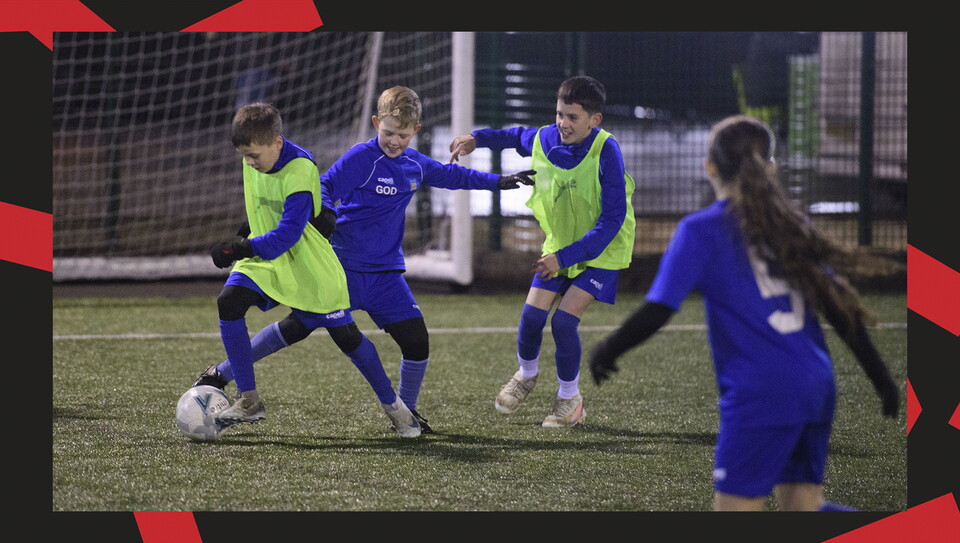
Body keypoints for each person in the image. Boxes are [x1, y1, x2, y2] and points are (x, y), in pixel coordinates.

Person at [588, 114, 900, 511]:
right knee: (803, 508)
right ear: (769, 167)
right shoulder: (789, 224)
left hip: (762, 392)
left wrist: (609, 348)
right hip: (816, 385)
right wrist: (880, 376)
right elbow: (839, 310)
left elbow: (659, 309)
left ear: (710, 168)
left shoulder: (701, 230)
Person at [197, 87, 535, 434]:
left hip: (385, 276)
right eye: (388, 132)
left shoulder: (413, 165)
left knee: (416, 341)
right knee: (296, 328)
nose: (394, 141)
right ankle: (222, 373)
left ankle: (407, 412)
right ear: (376, 123)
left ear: (415, 131)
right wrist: (326, 211)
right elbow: (324, 185)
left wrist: (499, 182)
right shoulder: (362, 158)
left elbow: (454, 176)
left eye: (402, 135)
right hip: (341, 268)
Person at [197, 102, 422, 438]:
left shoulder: (301, 169)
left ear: (276, 143)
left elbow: (287, 236)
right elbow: (267, 202)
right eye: (244, 156)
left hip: (305, 262)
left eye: (254, 156)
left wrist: (241, 247)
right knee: (229, 302)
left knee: (347, 338)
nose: (249, 163)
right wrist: (249, 230)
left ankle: (395, 407)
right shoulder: (256, 157)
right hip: (266, 257)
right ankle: (249, 400)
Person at [449, 75, 636, 428]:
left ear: (595, 120)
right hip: (560, 245)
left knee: (564, 322)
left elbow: (611, 222)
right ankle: (526, 375)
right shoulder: (546, 138)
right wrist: (478, 138)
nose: (563, 123)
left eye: (572, 117)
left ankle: (570, 401)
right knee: (532, 318)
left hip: (600, 252)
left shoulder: (606, 151)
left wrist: (563, 259)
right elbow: (513, 135)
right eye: (559, 114)